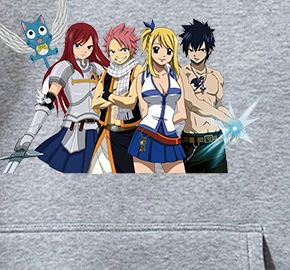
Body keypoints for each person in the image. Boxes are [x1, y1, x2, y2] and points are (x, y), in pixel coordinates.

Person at [14, 22, 108, 172]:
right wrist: (29, 135)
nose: (84, 51)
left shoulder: (97, 69)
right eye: (79, 45)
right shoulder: (65, 68)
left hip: (97, 131)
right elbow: (47, 102)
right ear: (70, 44)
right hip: (74, 131)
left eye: (89, 46)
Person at [118, 21, 187, 174]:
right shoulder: (142, 78)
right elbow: (144, 111)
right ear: (149, 49)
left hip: (170, 135)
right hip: (146, 133)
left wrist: (167, 121)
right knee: (143, 182)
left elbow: (182, 113)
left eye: (168, 51)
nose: (163, 55)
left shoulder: (177, 76)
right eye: (157, 49)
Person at [177, 18, 233, 172]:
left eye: (200, 50)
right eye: (192, 50)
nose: (196, 54)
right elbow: (193, 103)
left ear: (209, 50)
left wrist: (232, 122)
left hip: (216, 141)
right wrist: (226, 119)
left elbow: (218, 105)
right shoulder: (182, 73)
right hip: (192, 143)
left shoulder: (216, 76)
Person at [90, 23, 141, 173]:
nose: (118, 55)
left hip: (129, 134)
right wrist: (117, 98)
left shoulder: (137, 70)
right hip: (105, 133)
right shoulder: (106, 73)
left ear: (131, 49)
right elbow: (95, 103)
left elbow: (130, 102)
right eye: (113, 51)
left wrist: (107, 95)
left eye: (123, 50)